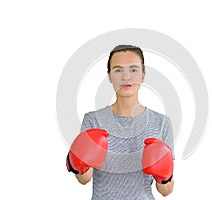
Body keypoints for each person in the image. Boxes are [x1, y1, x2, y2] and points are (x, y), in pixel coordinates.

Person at [66, 45, 175, 200]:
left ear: (143, 75)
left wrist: (163, 176)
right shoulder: (93, 119)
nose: (126, 77)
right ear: (109, 76)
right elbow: (84, 179)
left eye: (133, 70)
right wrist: (77, 163)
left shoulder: (161, 122)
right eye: (118, 70)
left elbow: (166, 190)